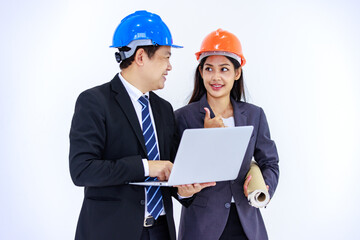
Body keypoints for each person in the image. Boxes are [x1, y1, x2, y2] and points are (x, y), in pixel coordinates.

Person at [69, 10, 213, 240]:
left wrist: (184, 190)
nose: (170, 66)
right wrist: (147, 167)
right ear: (141, 57)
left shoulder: (164, 110)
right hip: (111, 232)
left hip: (160, 231)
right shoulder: (94, 102)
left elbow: (171, 170)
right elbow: (82, 170)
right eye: (166, 56)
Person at [175, 29, 279, 240]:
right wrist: (207, 138)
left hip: (247, 222)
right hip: (202, 225)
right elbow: (177, 172)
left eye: (224, 69)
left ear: (237, 73)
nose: (216, 77)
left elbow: (270, 162)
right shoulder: (183, 117)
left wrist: (264, 187)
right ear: (201, 72)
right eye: (209, 69)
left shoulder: (254, 115)